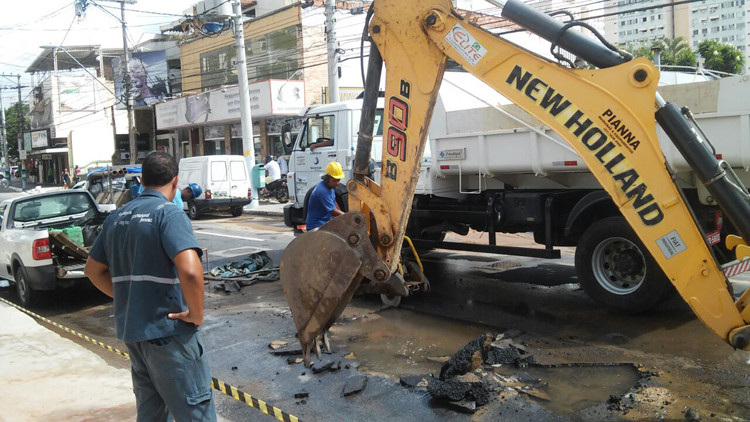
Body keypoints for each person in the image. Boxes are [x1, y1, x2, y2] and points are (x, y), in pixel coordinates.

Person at [84, 152, 216, 421]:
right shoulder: (169, 214)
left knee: (151, 413)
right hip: (170, 335)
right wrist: (196, 314)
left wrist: (129, 298)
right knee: (196, 413)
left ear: (142, 180)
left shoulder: (116, 218)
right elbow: (191, 271)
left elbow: (93, 270)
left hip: (136, 337)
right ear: (176, 181)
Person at [305, 161, 345, 231]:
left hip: (324, 224)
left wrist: (342, 217)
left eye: (339, 180)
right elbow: (333, 211)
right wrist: (346, 217)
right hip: (316, 227)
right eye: (335, 180)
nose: (338, 183)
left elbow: (334, 202)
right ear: (327, 179)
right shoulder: (322, 191)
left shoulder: (330, 187)